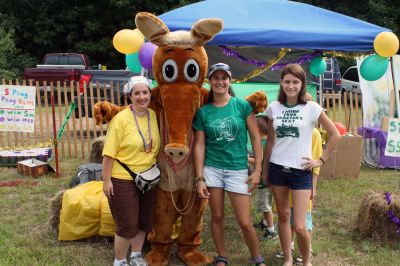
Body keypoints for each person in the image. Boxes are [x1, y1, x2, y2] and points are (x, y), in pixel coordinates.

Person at [262, 64, 340, 266]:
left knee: (299, 225)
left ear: (302, 84)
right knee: (283, 216)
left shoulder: (312, 108)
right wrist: (264, 170)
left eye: (295, 82)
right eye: (287, 81)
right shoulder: (273, 108)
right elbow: (270, 141)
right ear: (281, 82)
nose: (291, 86)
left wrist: (320, 160)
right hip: (277, 169)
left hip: (301, 172)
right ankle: (288, 258)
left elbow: (335, 135)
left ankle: (306, 261)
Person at [193, 63, 266, 266]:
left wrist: (258, 169)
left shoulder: (242, 106)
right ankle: (222, 256)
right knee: (217, 216)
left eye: (224, 78)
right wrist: (199, 178)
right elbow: (199, 146)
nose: (220, 82)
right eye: (215, 78)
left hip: (237, 169)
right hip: (212, 169)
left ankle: (257, 257)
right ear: (210, 81)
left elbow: (255, 137)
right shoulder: (203, 112)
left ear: (229, 80)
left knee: (244, 221)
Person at [102, 76, 160, 266]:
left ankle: (136, 255)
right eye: (137, 93)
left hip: (148, 177)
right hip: (122, 178)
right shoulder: (120, 120)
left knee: (144, 220)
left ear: (150, 94)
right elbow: (108, 155)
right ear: (129, 96)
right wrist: (106, 181)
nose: (142, 97)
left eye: (145, 92)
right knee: (127, 224)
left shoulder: (153, 115)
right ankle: (119, 261)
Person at [275, 125, 323, 265]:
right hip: (285, 181)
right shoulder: (287, 131)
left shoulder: (314, 134)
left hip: (302, 183)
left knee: (304, 221)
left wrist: (313, 186)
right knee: (286, 216)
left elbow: (315, 163)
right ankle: (288, 246)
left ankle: (307, 250)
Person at [249, 113, 278, 241]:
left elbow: (259, 161)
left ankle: (271, 230)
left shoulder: (262, 143)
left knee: (265, 205)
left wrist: (245, 159)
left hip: (264, 181)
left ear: (258, 130)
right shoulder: (269, 141)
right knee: (265, 203)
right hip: (270, 179)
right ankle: (265, 223)